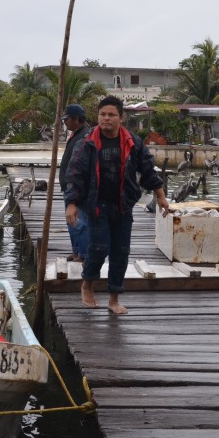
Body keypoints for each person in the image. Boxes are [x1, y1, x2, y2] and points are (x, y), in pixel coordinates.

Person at [64, 96, 170, 315]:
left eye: (111, 115)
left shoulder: (133, 142)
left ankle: (113, 298)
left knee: (121, 252)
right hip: (96, 205)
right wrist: (72, 203)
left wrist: (160, 196)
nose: (106, 119)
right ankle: (88, 285)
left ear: (121, 118)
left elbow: (148, 169)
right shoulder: (87, 142)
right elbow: (76, 174)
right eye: (103, 114)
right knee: (98, 248)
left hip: (123, 205)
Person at [58, 103, 91, 262]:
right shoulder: (76, 134)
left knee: (80, 222)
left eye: (67, 119)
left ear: (77, 119)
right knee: (72, 221)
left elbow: (80, 166)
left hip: (78, 188)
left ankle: (83, 254)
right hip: (69, 187)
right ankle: (77, 251)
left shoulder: (85, 136)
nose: (65, 122)